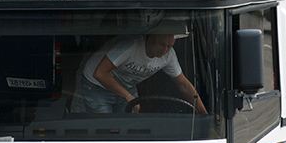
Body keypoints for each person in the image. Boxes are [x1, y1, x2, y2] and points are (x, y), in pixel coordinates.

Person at [71, 33, 207, 115]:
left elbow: (184, 85)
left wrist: (204, 113)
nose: (164, 50)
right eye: (161, 44)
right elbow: (100, 73)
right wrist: (128, 96)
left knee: (129, 125)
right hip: (97, 85)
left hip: (126, 84)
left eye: (169, 46)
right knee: (105, 127)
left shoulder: (168, 56)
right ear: (150, 38)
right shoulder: (131, 45)